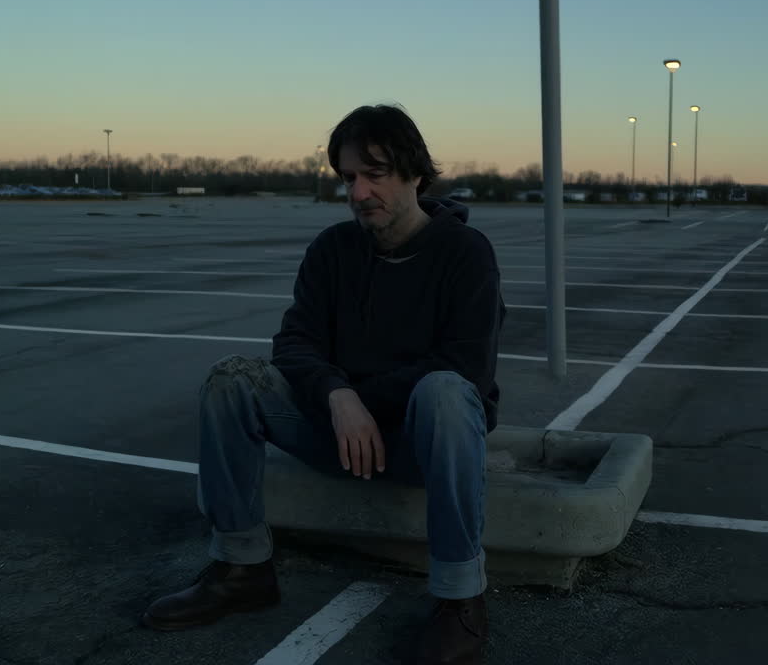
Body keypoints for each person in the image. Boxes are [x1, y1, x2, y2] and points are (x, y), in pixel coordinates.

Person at [142, 104, 505, 665]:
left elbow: (468, 366)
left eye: (375, 174)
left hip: (418, 443)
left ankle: (461, 601)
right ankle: (242, 569)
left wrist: (363, 400)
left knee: (446, 388)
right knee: (232, 380)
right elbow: (294, 344)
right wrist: (338, 396)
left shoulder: (465, 253)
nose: (359, 192)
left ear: (414, 172)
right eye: (348, 178)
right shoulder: (333, 250)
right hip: (335, 433)